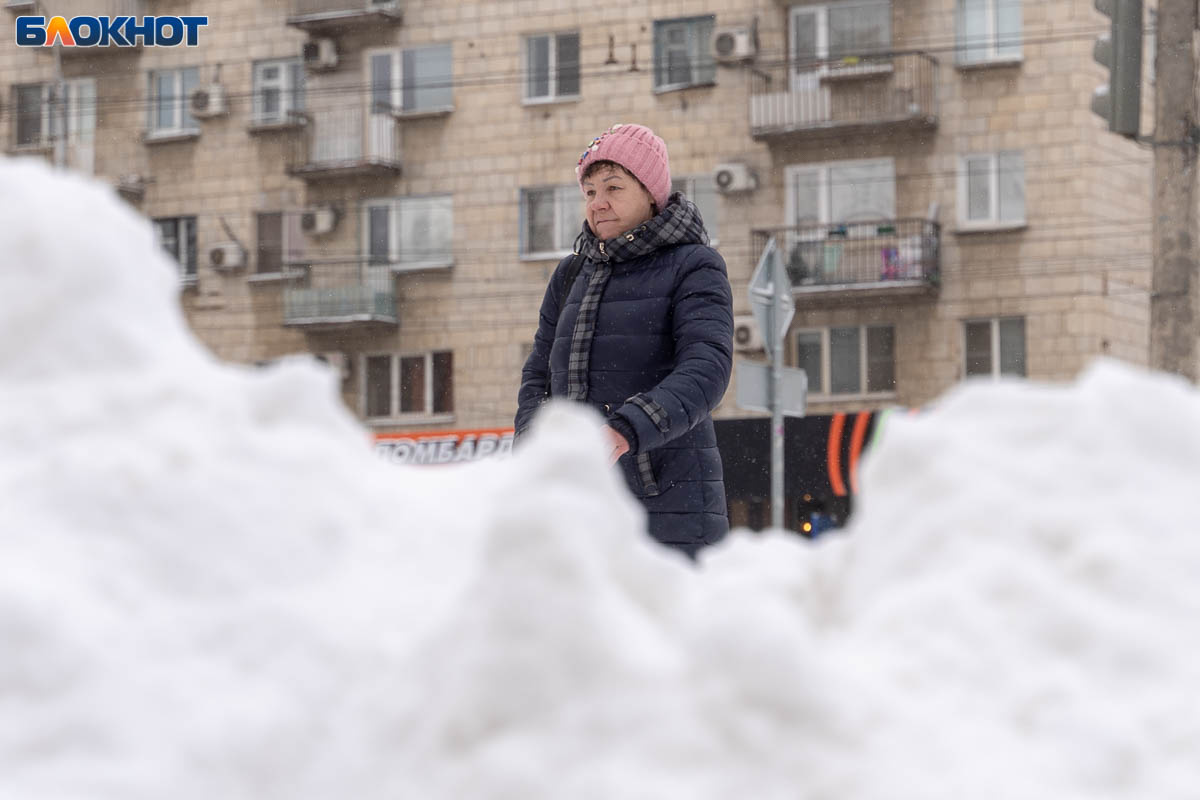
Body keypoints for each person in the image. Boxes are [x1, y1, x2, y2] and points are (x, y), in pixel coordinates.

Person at [514, 123, 734, 559]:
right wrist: (531, 447)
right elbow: (538, 375)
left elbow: (706, 368)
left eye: (613, 187)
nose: (599, 204)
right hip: (575, 502)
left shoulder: (694, 265)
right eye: (590, 192)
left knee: (666, 625)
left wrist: (625, 429)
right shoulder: (571, 274)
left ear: (651, 193)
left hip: (669, 504)